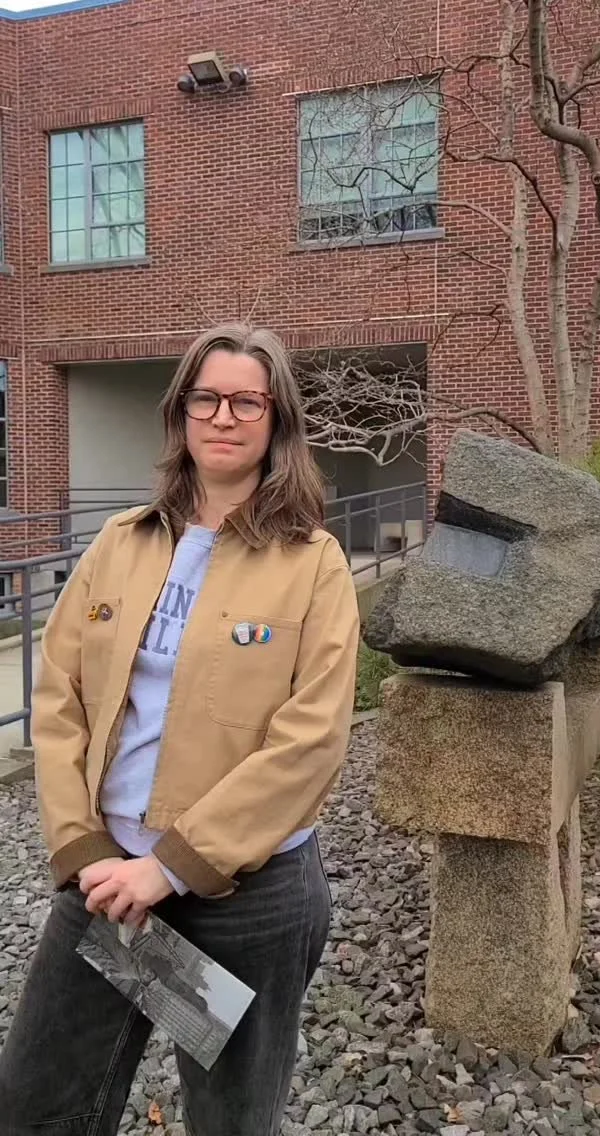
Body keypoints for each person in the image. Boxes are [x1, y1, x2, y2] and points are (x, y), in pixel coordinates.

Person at [0, 323, 360, 1136]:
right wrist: (85, 848)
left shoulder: (312, 563)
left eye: (247, 401)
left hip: (242, 901)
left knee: (229, 1116)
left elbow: (310, 740)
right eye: (207, 397)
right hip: (110, 887)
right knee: (41, 1104)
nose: (224, 416)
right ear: (181, 412)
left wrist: (170, 869)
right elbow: (59, 698)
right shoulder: (119, 544)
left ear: (277, 420)